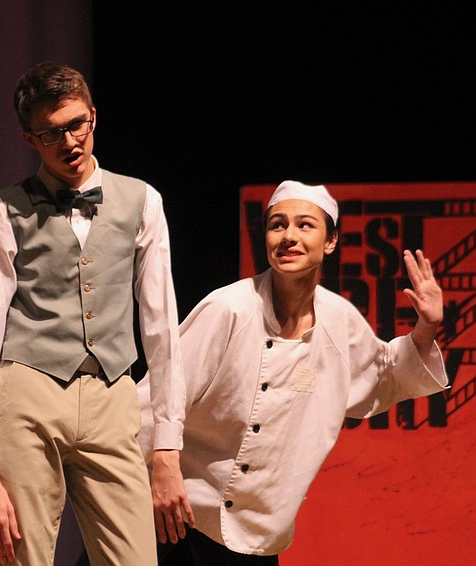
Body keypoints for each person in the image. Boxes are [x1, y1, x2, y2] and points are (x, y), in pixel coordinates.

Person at [137, 180, 448, 564]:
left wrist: (426, 328)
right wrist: (147, 473)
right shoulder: (229, 309)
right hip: (174, 511)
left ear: (330, 241)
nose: (288, 236)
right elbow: (159, 397)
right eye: (277, 225)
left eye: (305, 225)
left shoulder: (339, 321)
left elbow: (386, 376)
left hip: (257, 530)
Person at [0, 61, 190, 566]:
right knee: (22, 559)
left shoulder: (142, 201)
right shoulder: (3, 212)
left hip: (113, 393)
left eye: (76, 124)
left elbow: (161, 327)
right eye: (51, 133)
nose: (68, 142)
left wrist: (168, 447)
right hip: (28, 388)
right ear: (29, 138)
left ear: (93, 117)